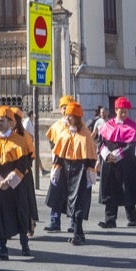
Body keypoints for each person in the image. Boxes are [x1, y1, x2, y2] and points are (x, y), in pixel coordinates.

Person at [0, 106, 34, 260]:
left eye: (2, 121)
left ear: (11, 123)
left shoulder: (20, 141)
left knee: (20, 214)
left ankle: (24, 244)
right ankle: (0, 248)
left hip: (16, 185)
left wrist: (9, 181)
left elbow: (23, 164)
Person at [46, 100, 96, 244]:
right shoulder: (64, 133)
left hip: (81, 171)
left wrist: (90, 170)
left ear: (77, 117)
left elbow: (90, 155)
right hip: (66, 171)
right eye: (67, 116)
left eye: (70, 116)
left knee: (79, 202)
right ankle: (78, 234)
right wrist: (56, 168)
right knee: (69, 202)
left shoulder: (85, 134)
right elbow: (58, 154)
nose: (67, 119)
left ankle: (77, 233)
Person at [96, 97, 136, 228]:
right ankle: (110, 219)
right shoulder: (107, 125)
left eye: (126, 112)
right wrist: (106, 154)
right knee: (110, 189)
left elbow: (132, 145)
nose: (124, 114)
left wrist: (118, 154)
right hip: (110, 162)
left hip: (126, 162)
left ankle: (132, 218)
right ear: (116, 110)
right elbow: (101, 142)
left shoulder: (132, 126)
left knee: (127, 189)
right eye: (121, 111)